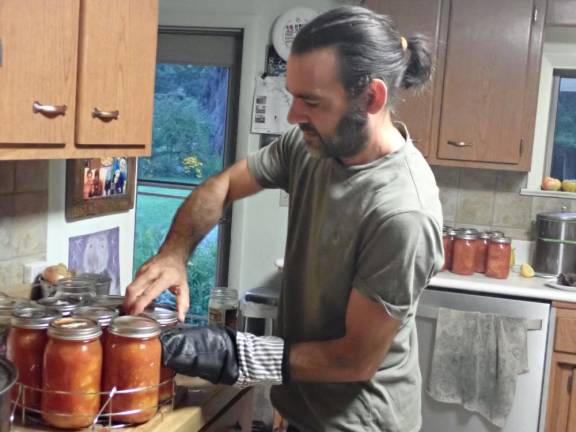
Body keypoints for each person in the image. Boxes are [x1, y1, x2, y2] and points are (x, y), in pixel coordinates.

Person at [124, 6, 443, 432]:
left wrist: (234, 355)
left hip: (362, 423)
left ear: (371, 98)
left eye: (310, 101)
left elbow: (354, 359)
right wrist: (175, 252)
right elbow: (224, 185)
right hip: (303, 410)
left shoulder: (403, 212)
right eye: (294, 95)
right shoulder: (310, 143)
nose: (293, 116)